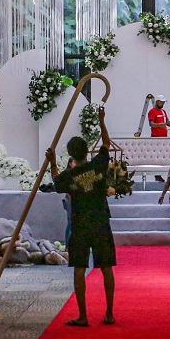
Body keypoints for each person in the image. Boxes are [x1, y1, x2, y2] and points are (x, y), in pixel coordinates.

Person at [47, 110, 116, 327]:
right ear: (87, 151)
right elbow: (106, 142)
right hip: (100, 221)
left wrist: (52, 162)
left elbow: (57, 182)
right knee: (106, 267)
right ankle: (109, 313)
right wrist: (102, 120)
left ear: (71, 154)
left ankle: (83, 315)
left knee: (79, 267)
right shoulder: (98, 165)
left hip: (80, 224)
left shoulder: (70, 176)